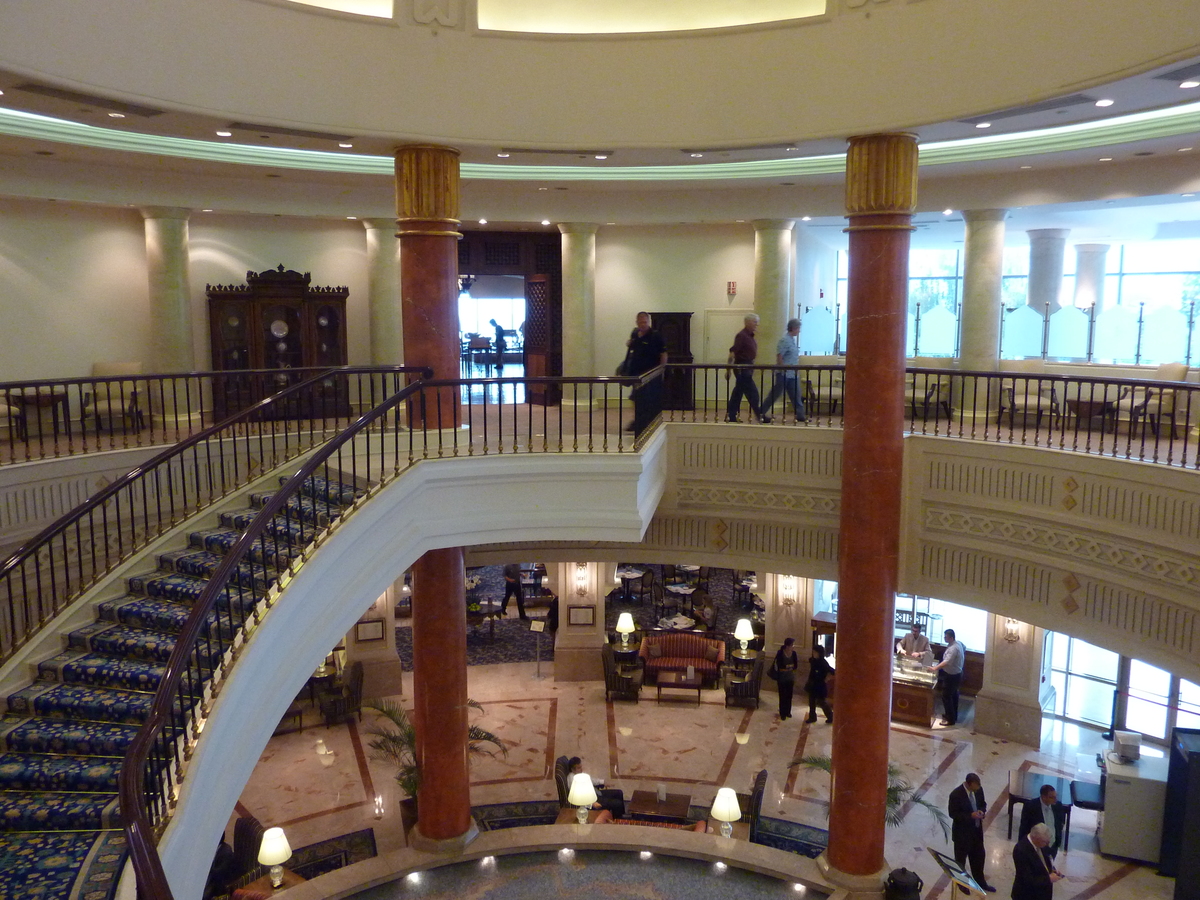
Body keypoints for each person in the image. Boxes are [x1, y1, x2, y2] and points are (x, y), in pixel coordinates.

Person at [948, 773, 997, 893]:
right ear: (969, 784)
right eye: (976, 785)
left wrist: (982, 811)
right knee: (961, 861)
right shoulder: (956, 795)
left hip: (976, 832)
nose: (979, 788)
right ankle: (962, 884)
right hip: (962, 835)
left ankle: (980, 882)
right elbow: (953, 814)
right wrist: (970, 816)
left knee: (979, 858)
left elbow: (982, 804)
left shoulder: (978, 791)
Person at [622, 311, 668, 435]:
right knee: (636, 398)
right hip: (637, 374)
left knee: (650, 399)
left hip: (651, 374)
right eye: (640, 322)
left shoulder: (656, 336)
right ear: (637, 322)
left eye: (645, 322)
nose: (643, 324)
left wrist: (661, 370)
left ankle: (650, 423)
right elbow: (632, 346)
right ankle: (638, 421)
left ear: (649, 322)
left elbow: (663, 353)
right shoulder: (635, 333)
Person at [725, 313, 772, 424]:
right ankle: (760, 416)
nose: (757, 324)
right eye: (755, 322)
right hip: (742, 368)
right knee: (753, 394)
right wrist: (728, 369)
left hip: (747, 367)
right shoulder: (742, 336)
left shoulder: (750, 336)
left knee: (738, 393)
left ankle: (731, 416)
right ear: (747, 322)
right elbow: (732, 353)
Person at [760, 318, 807, 422]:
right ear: (793, 328)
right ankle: (761, 412)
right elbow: (780, 356)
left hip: (793, 374)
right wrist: (782, 369)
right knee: (775, 394)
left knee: (796, 395)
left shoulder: (791, 340)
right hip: (784, 374)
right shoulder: (785, 340)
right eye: (798, 328)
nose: (799, 331)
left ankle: (800, 415)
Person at [1012, 822, 1063, 900]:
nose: (1047, 845)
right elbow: (1027, 879)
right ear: (1036, 838)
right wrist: (1048, 879)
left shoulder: (1041, 844)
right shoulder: (1021, 850)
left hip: (1042, 894)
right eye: (1045, 842)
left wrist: (1052, 870)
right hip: (1027, 895)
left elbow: (1045, 861)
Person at [1017, 784, 1066, 859]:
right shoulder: (1030, 806)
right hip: (1038, 847)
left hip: (1053, 846)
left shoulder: (1058, 805)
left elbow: (1060, 824)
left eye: (1055, 796)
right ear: (1043, 797)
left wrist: (1057, 842)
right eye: (1051, 797)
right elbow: (1024, 828)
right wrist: (1022, 847)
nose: (1055, 800)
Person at [931, 627, 965, 726]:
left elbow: (947, 661)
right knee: (953, 696)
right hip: (956, 673)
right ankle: (953, 715)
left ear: (951, 637)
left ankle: (950, 719)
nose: (944, 638)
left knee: (946, 696)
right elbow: (964, 647)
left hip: (952, 675)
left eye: (945, 637)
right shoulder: (957, 643)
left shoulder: (953, 648)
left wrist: (935, 668)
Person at [804, 644, 834, 724]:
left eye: (815, 652)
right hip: (813, 684)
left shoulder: (823, 663)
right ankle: (812, 717)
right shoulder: (814, 661)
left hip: (820, 685)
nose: (813, 653)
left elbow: (831, 671)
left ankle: (830, 716)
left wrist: (827, 679)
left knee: (821, 702)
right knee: (812, 702)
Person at [773, 637, 800, 720]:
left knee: (789, 695)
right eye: (792, 645)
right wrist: (789, 667)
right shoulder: (780, 653)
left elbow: (795, 665)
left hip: (790, 677)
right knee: (782, 695)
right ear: (787, 646)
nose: (793, 647)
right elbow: (780, 665)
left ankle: (788, 711)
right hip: (781, 678)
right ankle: (782, 713)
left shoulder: (794, 653)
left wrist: (788, 667)